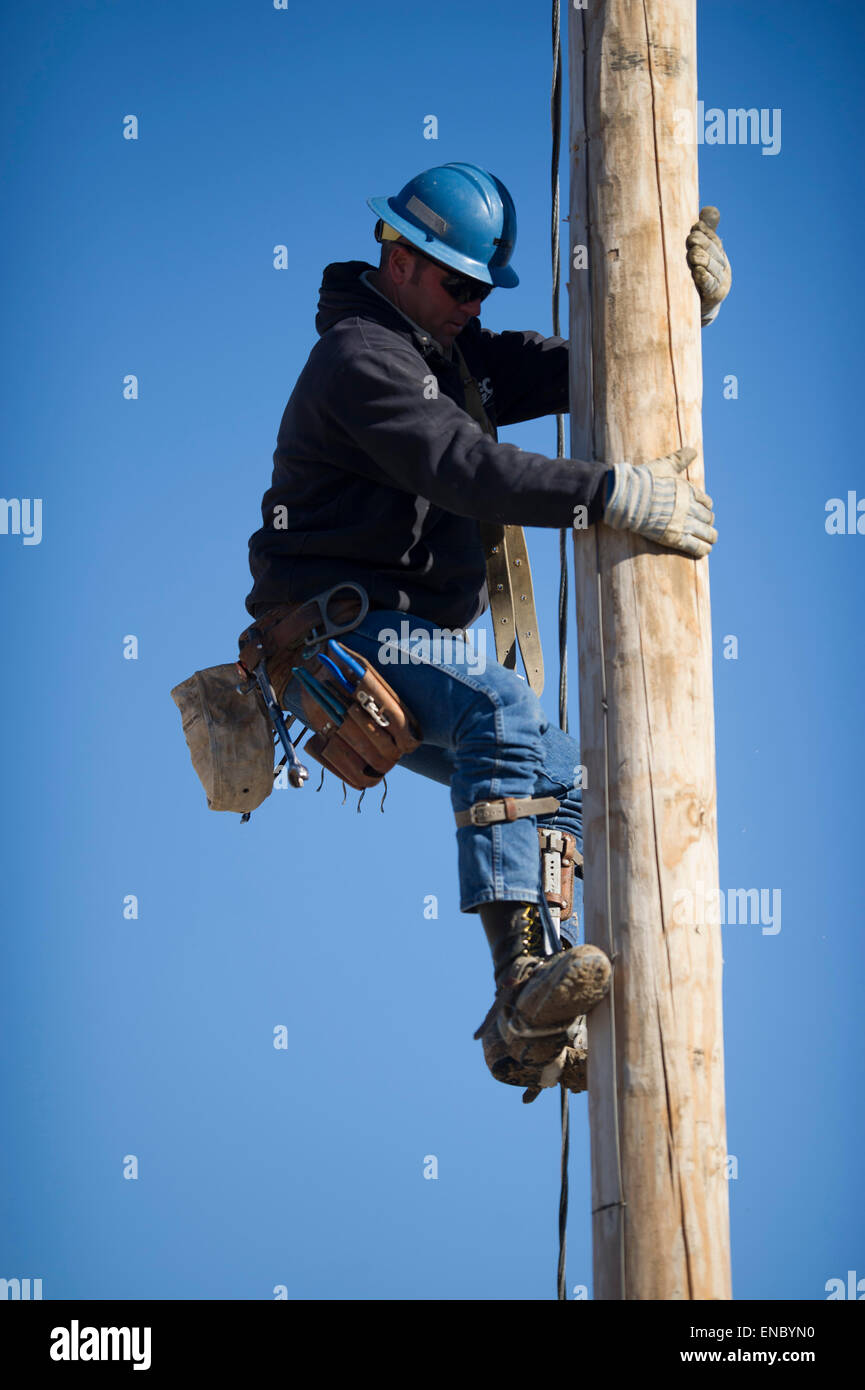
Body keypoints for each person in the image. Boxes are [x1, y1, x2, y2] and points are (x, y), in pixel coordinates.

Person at [244, 162, 731, 1100]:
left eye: (480, 289)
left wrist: (680, 315)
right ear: (399, 255)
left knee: (561, 771)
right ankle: (517, 988)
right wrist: (612, 493)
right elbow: (460, 466)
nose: (471, 305)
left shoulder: (440, 356)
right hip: (340, 639)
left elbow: (580, 361)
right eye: (459, 285)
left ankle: (532, 1020)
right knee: (502, 713)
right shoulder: (362, 359)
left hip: (390, 641)